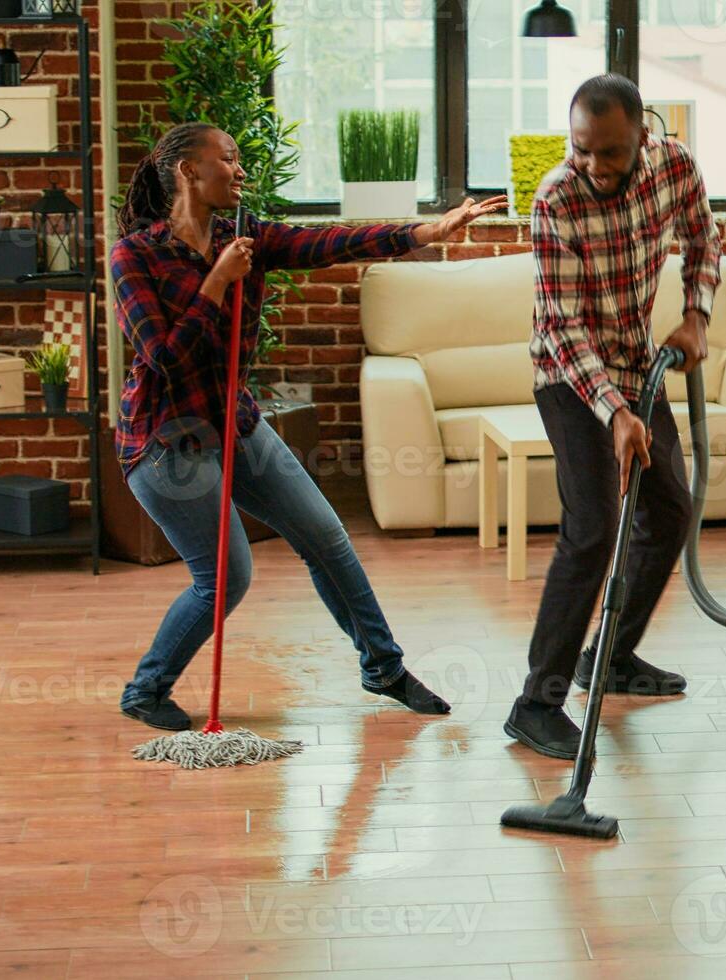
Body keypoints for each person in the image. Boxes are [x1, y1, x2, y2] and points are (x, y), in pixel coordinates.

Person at [110, 120, 507, 731]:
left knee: (326, 536)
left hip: (234, 425)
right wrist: (217, 281)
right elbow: (164, 357)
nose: (240, 170)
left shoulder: (246, 235)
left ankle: (384, 667)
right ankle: (145, 689)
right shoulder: (136, 256)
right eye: (229, 158)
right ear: (189, 171)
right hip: (167, 440)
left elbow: (331, 243)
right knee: (225, 576)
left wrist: (427, 231)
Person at [504, 75, 721, 759]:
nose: (594, 167)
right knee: (593, 530)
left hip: (636, 365)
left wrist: (695, 314)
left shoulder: (674, 167)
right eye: (581, 150)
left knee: (672, 511)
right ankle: (536, 703)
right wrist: (617, 412)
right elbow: (562, 329)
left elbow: (706, 236)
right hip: (570, 378)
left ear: (643, 140)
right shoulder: (556, 200)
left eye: (610, 154)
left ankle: (611, 658)